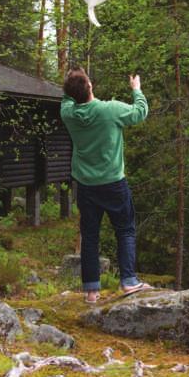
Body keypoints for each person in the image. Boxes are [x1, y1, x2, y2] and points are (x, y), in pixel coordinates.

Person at [60, 67, 151, 304]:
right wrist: (136, 89)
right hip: (113, 183)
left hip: (86, 185)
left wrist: (71, 81)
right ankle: (129, 281)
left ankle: (91, 291)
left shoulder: (68, 113)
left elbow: (68, 97)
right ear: (90, 86)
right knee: (125, 230)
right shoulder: (110, 110)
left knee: (90, 236)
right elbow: (141, 112)